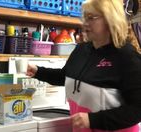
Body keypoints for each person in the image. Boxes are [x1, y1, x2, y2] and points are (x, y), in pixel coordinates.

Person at [26, 0, 141, 131]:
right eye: (85, 17)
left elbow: (137, 109)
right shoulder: (81, 50)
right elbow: (65, 76)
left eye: (92, 18)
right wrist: (37, 71)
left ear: (110, 19)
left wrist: (93, 120)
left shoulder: (126, 56)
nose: (85, 23)